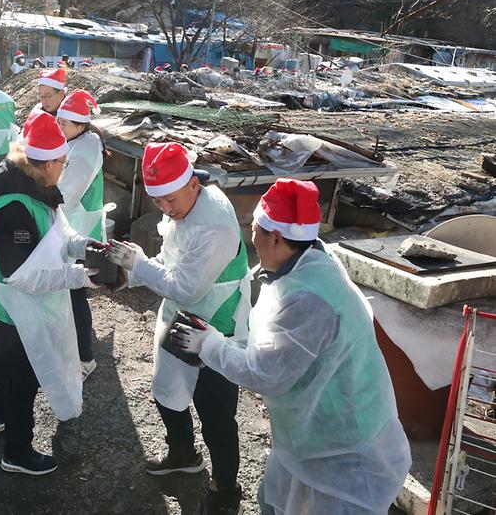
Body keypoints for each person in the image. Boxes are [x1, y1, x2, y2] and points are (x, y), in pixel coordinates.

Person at [173, 179, 412, 515]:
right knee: (277, 500)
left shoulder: (309, 300)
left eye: (255, 228)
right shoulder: (305, 261)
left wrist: (209, 345)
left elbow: (267, 374)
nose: (250, 235)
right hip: (309, 432)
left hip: (343, 447)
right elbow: (278, 344)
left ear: (275, 237)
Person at [107, 142, 251, 514]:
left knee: (216, 413)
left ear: (192, 184)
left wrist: (137, 265)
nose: (167, 209)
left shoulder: (214, 223)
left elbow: (187, 286)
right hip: (181, 317)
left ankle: (223, 492)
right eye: (158, 202)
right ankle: (183, 453)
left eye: (170, 199)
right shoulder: (184, 210)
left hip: (216, 325)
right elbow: (169, 264)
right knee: (165, 390)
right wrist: (128, 276)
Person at [0, 111, 100, 475]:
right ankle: (16, 452)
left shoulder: (37, 189)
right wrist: (80, 276)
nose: (64, 168)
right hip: (15, 313)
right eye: (63, 162)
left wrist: (90, 248)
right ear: (48, 162)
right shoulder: (16, 208)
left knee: (5, 374)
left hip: (13, 312)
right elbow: (20, 275)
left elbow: (62, 235)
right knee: (21, 381)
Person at [56, 89, 107, 380]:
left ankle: (86, 357)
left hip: (78, 226)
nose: (59, 127)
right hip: (72, 225)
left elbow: (67, 195)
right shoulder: (77, 140)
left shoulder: (86, 149)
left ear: (79, 125)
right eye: (59, 121)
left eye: (64, 123)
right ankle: (75, 343)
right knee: (70, 289)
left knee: (75, 291)